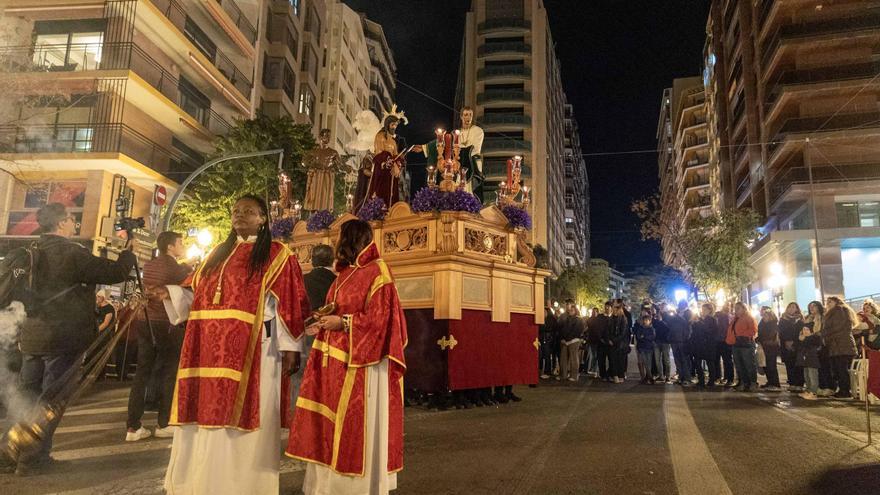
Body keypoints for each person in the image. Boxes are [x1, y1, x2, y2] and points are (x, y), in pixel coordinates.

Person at [159, 195, 310, 495]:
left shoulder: (278, 254)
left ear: (263, 218)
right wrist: (167, 294)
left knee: (245, 420)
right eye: (236, 211)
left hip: (255, 350)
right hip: (208, 349)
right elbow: (195, 293)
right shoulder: (217, 253)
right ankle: (202, 482)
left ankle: (245, 487)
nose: (240, 215)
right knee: (206, 415)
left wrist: (292, 348)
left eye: (249, 212)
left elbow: (291, 304)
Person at [287, 219, 407, 495]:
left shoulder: (378, 272)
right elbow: (336, 306)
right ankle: (327, 485)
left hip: (363, 364)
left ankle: (356, 486)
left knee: (354, 426)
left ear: (354, 239)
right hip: (334, 360)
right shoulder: (345, 274)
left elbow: (381, 320)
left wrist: (342, 323)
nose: (338, 244)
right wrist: (321, 318)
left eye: (342, 238)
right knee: (326, 423)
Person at [15, 203, 136, 475]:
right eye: (71, 219)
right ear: (60, 224)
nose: (74, 224)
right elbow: (115, 273)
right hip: (62, 338)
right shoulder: (72, 253)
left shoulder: (31, 251)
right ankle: (32, 459)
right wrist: (128, 251)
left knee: (26, 398)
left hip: (32, 335)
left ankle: (9, 454)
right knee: (51, 399)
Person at [125, 231, 193, 442]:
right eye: (180, 243)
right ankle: (164, 423)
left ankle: (133, 426)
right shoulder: (176, 268)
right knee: (169, 371)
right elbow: (192, 284)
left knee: (142, 373)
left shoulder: (150, 265)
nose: (183, 246)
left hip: (145, 321)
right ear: (170, 247)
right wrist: (190, 266)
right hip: (166, 323)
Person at [360, 106, 422, 210]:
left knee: (391, 194)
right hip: (381, 169)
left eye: (396, 125)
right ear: (387, 124)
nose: (394, 127)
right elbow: (379, 153)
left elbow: (396, 155)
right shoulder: (380, 136)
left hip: (391, 173)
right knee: (380, 193)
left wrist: (399, 161)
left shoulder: (393, 142)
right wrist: (389, 160)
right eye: (393, 124)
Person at [821, 296, 859, 399]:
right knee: (838, 369)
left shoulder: (839, 310)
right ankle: (843, 390)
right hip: (837, 345)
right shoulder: (832, 312)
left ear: (836, 302)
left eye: (830, 301)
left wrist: (825, 334)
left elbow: (838, 327)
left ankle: (845, 391)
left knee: (841, 369)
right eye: (827, 302)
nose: (827, 303)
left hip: (842, 345)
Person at [303, 129, 343, 212]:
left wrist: (348, 169)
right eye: (326, 136)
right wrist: (313, 165)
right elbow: (304, 162)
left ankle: (324, 215)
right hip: (316, 176)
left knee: (326, 199)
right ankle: (313, 215)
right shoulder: (313, 151)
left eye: (329, 136)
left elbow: (340, 166)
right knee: (313, 197)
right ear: (320, 137)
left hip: (327, 177)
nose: (328, 138)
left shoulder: (333, 152)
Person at [727, 302, 758, 392]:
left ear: (744, 309)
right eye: (735, 308)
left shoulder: (749, 318)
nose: (736, 310)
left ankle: (752, 382)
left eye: (738, 308)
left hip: (746, 344)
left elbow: (753, 330)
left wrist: (741, 335)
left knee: (749, 364)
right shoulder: (735, 319)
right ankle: (744, 382)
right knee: (739, 365)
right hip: (736, 344)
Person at [797, 301, 824, 400]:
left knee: (812, 372)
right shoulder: (807, 319)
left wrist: (808, 337)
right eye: (810, 306)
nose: (812, 308)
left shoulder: (820, 319)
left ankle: (813, 391)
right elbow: (803, 331)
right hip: (805, 347)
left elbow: (817, 334)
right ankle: (808, 389)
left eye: (814, 306)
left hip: (813, 347)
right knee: (806, 371)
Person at [690, 303, 720, 388]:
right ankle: (701, 380)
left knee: (710, 363)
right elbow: (694, 331)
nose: (703, 311)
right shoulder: (699, 319)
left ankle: (711, 381)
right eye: (702, 309)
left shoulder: (712, 320)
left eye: (705, 310)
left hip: (708, 345)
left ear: (709, 310)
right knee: (697, 363)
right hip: (699, 345)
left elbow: (711, 331)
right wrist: (694, 323)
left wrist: (700, 323)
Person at [778, 302, 805, 392]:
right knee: (789, 365)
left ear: (797, 309)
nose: (791, 309)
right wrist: (786, 341)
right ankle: (792, 383)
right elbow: (781, 332)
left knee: (798, 365)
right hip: (785, 345)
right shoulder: (783, 319)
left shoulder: (800, 320)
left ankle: (799, 383)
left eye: (793, 307)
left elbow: (801, 332)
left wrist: (794, 342)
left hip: (797, 345)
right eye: (789, 307)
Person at [556, 300, 585, 382]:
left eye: (572, 310)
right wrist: (563, 339)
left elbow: (577, 331)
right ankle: (563, 375)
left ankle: (574, 375)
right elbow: (562, 329)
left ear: (575, 311)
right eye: (570, 310)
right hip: (565, 341)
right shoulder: (566, 318)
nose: (570, 312)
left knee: (573, 358)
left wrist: (569, 340)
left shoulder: (579, 320)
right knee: (563, 358)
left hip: (574, 341)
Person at [757, 307, 782, 391]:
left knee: (771, 365)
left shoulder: (773, 324)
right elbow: (760, 333)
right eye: (763, 315)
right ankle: (770, 382)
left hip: (771, 347)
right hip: (764, 346)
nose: (764, 317)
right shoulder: (762, 323)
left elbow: (771, 335)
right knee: (766, 365)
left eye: (766, 315)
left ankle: (775, 383)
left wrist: (761, 340)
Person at [666, 307, 692, 386]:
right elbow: (669, 324)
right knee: (677, 361)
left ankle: (687, 378)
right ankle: (681, 377)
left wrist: (685, 339)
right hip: (675, 341)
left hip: (682, 342)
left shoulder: (687, 315)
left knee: (684, 361)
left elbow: (688, 329)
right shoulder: (674, 317)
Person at [608, 302, 630, 383]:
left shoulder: (623, 319)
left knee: (620, 360)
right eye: (613, 308)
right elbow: (607, 331)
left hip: (620, 343)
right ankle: (615, 375)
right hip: (612, 342)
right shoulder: (610, 319)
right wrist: (609, 340)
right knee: (613, 360)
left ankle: (620, 375)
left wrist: (614, 340)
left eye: (615, 308)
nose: (613, 310)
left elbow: (623, 333)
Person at [714, 303, 735, 387]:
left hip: (722, 340)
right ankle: (727, 378)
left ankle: (723, 377)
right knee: (727, 361)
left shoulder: (722, 316)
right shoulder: (726, 317)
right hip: (724, 340)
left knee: (724, 360)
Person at [594, 302, 614, 381]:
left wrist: (611, 340)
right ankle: (603, 375)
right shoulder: (600, 317)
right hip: (601, 342)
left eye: (608, 307)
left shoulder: (614, 317)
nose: (606, 309)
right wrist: (600, 338)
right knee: (601, 360)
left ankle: (609, 374)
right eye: (605, 307)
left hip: (611, 342)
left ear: (611, 308)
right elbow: (596, 329)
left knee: (612, 360)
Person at [633, 313, 656, 384]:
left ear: (650, 321)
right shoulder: (640, 328)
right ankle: (647, 378)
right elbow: (639, 337)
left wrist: (644, 336)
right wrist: (645, 337)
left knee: (648, 363)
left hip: (649, 348)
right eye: (644, 320)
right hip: (641, 348)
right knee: (643, 363)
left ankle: (648, 377)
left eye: (647, 320)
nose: (645, 321)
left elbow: (652, 337)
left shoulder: (651, 328)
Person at [651, 307, 672, 383]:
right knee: (657, 360)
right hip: (657, 342)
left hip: (665, 342)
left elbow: (669, 328)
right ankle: (661, 375)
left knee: (666, 360)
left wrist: (661, 320)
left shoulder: (667, 317)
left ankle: (668, 376)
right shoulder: (655, 320)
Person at [539, 304, 558, 379]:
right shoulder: (543, 319)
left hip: (548, 340)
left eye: (544, 312)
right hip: (543, 339)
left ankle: (547, 371)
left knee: (547, 356)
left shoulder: (551, 320)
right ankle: (542, 370)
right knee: (542, 356)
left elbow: (547, 329)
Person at [585, 306, 604, 378]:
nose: (594, 313)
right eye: (593, 312)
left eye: (595, 312)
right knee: (591, 355)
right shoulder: (589, 320)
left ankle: (594, 370)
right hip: (591, 340)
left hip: (597, 340)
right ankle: (591, 369)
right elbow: (587, 329)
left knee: (595, 355)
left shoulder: (598, 320)